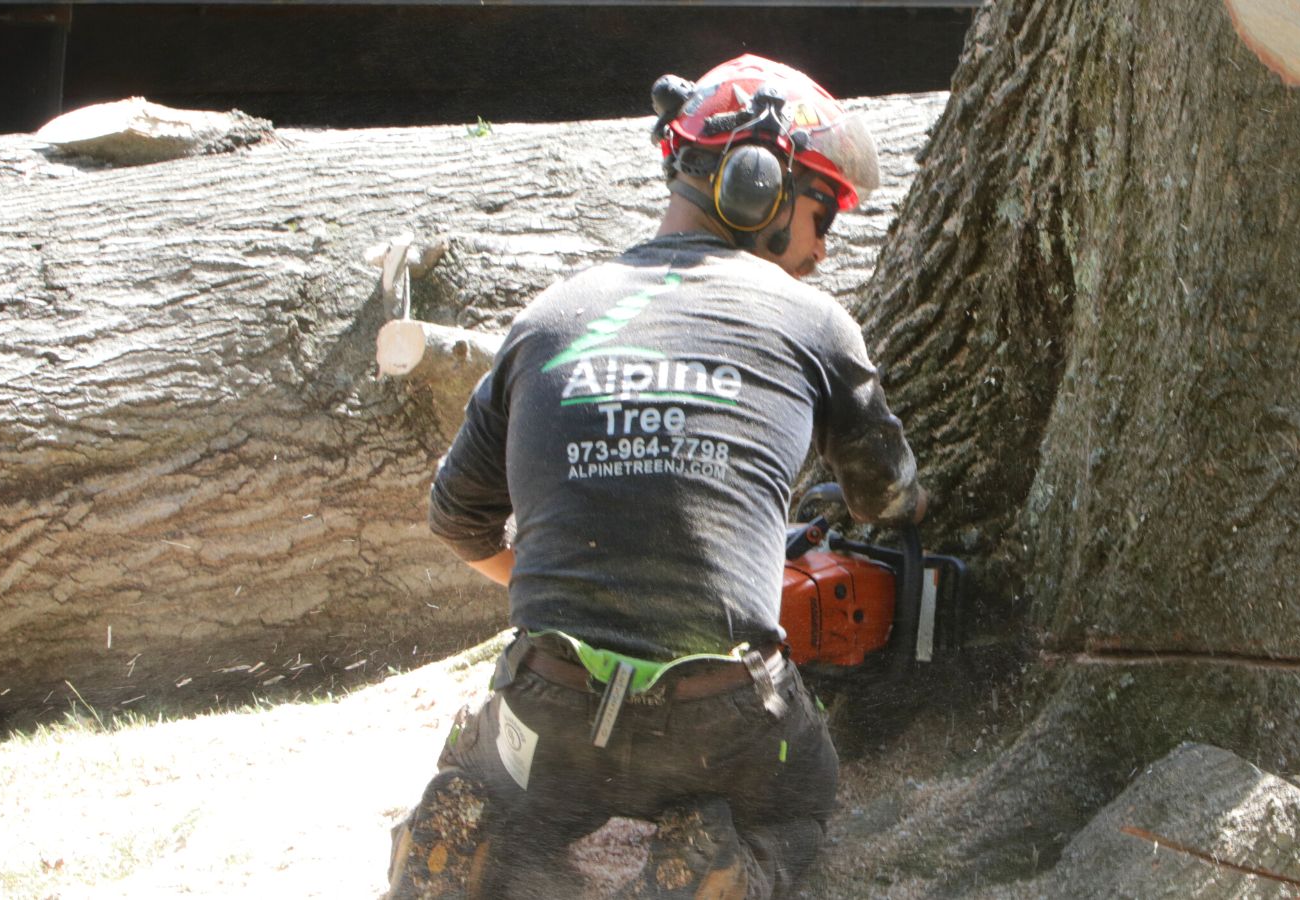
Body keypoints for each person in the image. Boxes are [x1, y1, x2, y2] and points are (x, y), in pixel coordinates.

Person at [385, 54, 926, 900]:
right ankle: (712, 864)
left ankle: (480, 832)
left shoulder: (548, 317)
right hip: (723, 718)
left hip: (549, 701)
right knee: (802, 798)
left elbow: (456, 519)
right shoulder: (815, 322)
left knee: (511, 778)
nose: (822, 249)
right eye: (821, 214)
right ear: (758, 187)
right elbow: (887, 498)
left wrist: (566, 595)